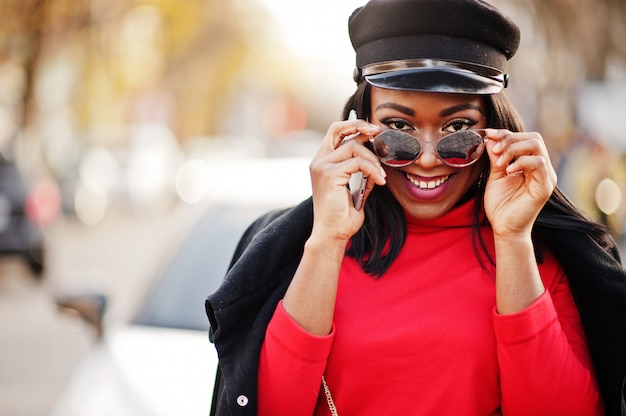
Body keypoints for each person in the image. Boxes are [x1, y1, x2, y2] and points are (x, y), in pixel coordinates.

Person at [205, 0, 626, 415]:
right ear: (357, 128)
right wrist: (328, 239)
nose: (427, 158)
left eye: (458, 129)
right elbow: (268, 407)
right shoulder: (299, 251)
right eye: (399, 128)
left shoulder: (542, 259)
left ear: (496, 131)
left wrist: (513, 238)